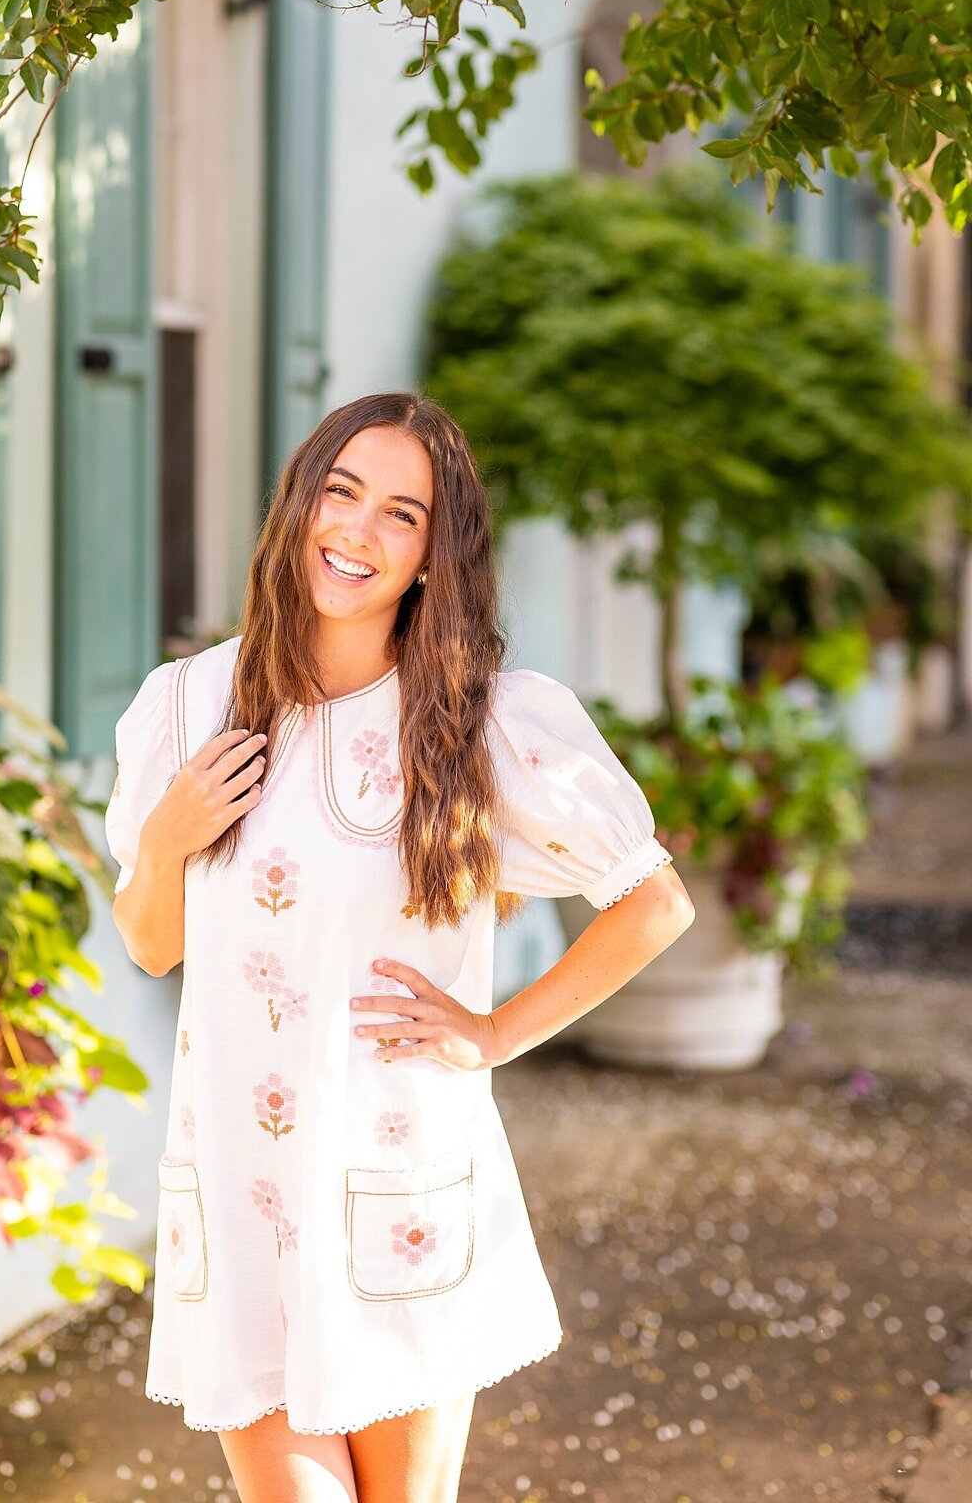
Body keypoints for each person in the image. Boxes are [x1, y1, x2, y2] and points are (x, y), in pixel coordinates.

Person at [107, 392, 696, 1503]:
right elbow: (148, 946)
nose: (357, 533)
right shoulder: (187, 706)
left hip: (399, 1192)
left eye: (401, 515)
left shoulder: (484, 723)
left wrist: (492, 1036)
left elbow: (652, 903)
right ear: (298, 506)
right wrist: (169, 839)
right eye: (340, 494)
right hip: (242, 1198)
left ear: (434, 556)